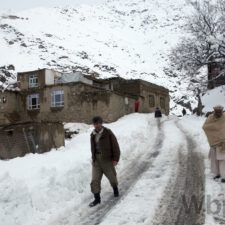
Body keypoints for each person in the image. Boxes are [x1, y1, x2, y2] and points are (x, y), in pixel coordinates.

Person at [89, 116, 120, 207]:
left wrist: (115, 159)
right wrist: (94, 158)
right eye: (95, 124)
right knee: (95, 180)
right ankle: (97, 199)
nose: (97, 125)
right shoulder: (93, 134)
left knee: (112, 178)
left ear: (101, 123)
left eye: (98, 123)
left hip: (107, 159)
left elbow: (115, 146)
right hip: (97, 161)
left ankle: (115, 189)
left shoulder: (108, 133)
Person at [203, 105, 225, 183]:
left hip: (223, 143)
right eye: (217, 111)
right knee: (214, 160)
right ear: (214, 111)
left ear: (222, 111)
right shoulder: (210, 118)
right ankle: (216, 174)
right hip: (214, 143)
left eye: (220, 111)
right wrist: (215, 129)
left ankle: (224, 176)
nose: (219, 113)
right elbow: (205, 127)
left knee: (223, 160)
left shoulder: (224, 117)